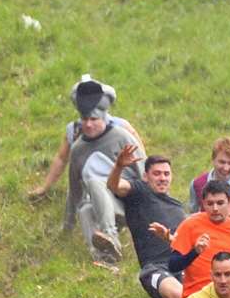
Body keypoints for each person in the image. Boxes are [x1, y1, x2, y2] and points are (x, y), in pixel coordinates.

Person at [29, 76, 144, 265]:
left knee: (95, 181)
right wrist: (67, 227)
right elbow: (74, 192)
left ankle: (110, 236)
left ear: (104, 117)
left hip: (128, 204)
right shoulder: (78, 148)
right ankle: (105, 259)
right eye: (84, 119)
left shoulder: (121, 136)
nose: (88, 124)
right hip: (101, 204)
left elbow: (145, 174)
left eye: (94, 119)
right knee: (85, 209)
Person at [102, 144, 187, 298]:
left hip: (182, 267)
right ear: (146, 176)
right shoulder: (139, 191)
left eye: (166, 174)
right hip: (155, 268)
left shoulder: (178, 207)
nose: (162, 178)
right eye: (157, 173)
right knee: (177, 294)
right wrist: (119, 166)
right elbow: (114, 186)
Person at [159, 181, 230, 298]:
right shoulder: (190, 225)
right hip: (199, 297)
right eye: (210, 204)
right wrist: (195, 252)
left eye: (220, 203)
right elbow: (173, 266)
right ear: (203, 204)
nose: (215, 208)